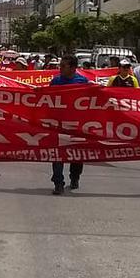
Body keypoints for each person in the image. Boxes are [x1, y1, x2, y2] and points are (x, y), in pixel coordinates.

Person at [48, 55, 89, 194]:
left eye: (63, 66)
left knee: (77, 154)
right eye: (60, 65)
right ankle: (58, 183)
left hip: (77, 125)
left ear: (73, 68)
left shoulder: (82, 82)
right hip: (58, 124)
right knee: (57, 154)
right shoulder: (56, 81)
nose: (60, 68)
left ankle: (75, 177)